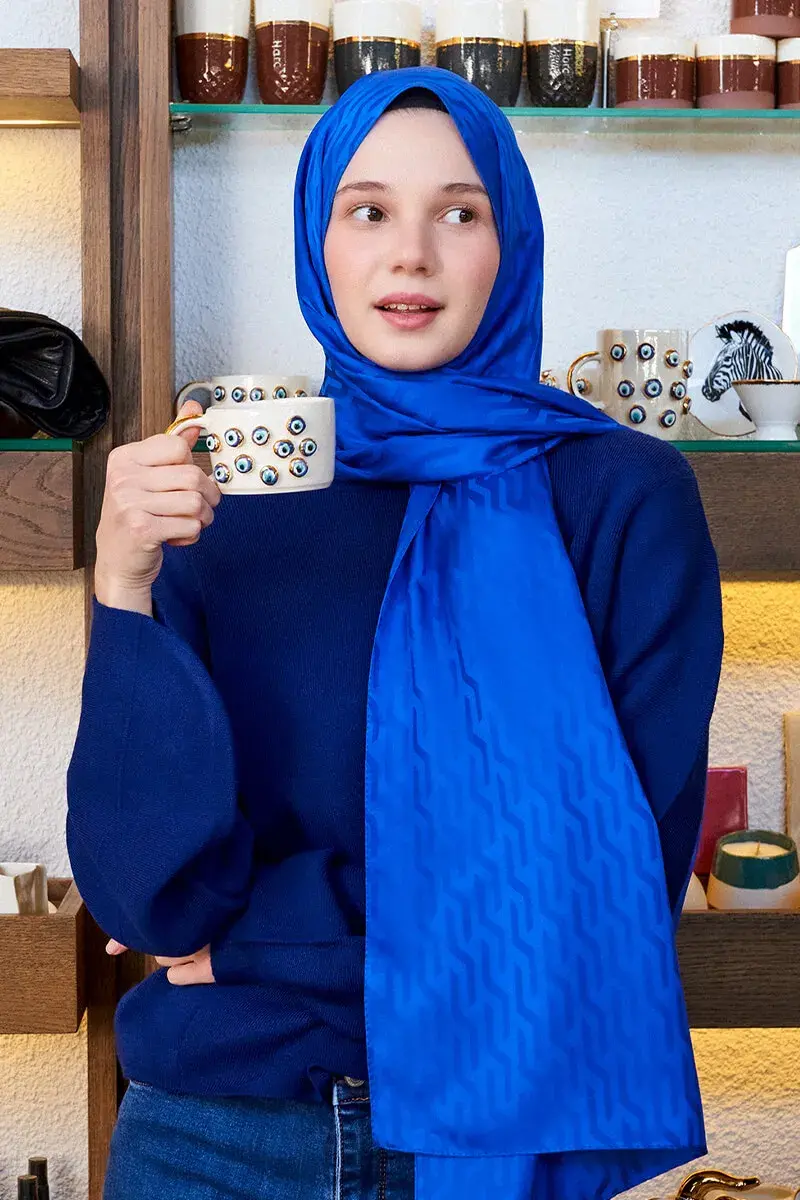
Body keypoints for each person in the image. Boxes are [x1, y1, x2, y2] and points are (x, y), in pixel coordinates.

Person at [66, 67, 724, 1200]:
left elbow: (610, 883)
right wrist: (122, 586)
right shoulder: (224, 492)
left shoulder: (622, 500)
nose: (409, 255)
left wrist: (257, 943)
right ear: (317, 243)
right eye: (367, 211)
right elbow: (147, 900)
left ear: (509, 243)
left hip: (499, 1125)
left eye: (457, 213)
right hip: (211, 1140)